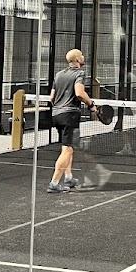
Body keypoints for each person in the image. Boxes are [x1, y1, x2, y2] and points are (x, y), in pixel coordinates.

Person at [47, 49, 99, 193]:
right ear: (77, 60)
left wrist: (60, 107)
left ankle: (69, 178)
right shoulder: (79, 74)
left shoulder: (59, 74)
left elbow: (52, 97)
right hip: (69, 115)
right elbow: (79, 93)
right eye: (81, 55)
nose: (83, 57)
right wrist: (91, 105)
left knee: (67, 147)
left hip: (56, 115)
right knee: (67, 149)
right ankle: (54, 183)